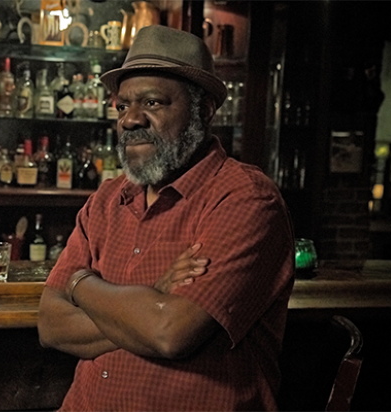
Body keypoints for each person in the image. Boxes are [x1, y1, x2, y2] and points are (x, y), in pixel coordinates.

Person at [37, 25, 295, 412]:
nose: (130, 120)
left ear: (203, 109)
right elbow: (51, 324)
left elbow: (170, 333)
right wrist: (152, 294)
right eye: (122, 106)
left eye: (153, 103)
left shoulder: (245, 199)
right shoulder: (106, 200)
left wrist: (78, 284)